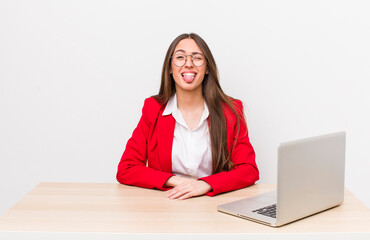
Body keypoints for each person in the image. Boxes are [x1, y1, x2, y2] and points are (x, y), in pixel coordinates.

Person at [116, 33, 259, 200]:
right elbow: (126, 168)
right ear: (170, 68)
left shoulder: (230, 110)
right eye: (180, 57)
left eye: (197, 58)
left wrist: (205, 184)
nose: (188, 64)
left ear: (207, 68)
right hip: (168, 202)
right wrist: (176, 182)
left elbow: (249, 170)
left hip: (213, 205)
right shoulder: (153, 109)